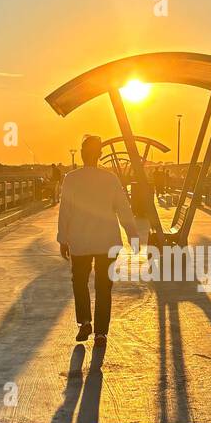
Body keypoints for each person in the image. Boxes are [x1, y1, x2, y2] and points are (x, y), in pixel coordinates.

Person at [57, 134, 138, 346]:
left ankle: (84, 321)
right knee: (104, 286)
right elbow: (124, 209)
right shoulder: (110, 179)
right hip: (107, 242)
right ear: (100, 154)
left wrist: (63, 239)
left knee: (80, 282)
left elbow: (64, 211)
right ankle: (101, 333)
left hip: (80, 241)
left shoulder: (71, 178)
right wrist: (133, 236)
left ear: (82, 154)